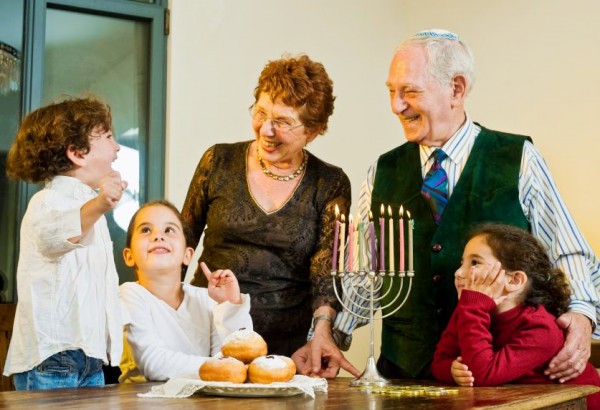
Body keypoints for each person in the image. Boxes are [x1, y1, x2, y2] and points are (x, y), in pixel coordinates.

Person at [332, 29, 600, 381]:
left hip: (501, 379)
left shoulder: (518, 158)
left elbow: (569, 252)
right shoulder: (382, 170)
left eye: (410, 91)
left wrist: (581, 315)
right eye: (392, 91)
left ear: (456, 89)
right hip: (403, 376)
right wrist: (329, 331)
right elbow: (363, 273)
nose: (396, 105)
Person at [181, 54, 359, 378]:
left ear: (314, 130)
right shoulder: (217, 161)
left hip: (285, 353)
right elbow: (182, 241)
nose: (266, 128)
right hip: (207, 336)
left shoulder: (330, 183)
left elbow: (326, 271)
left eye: (283, 121)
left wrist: (322, 332)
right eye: (261, 112)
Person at [3, 96, 127, 390]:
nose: (117, 147)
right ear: (77, 153)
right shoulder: (47, 200)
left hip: (90, 359)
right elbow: (56, 236)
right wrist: (100, 204)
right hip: (54, 358)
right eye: (108, 137)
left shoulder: (89, 206)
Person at [431, 224, 600, 408]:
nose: (458, 273)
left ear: (514, 280)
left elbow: (482, 374)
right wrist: (452, 371)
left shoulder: (541, 328)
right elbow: (440, 360)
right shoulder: (469, 309)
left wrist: (473, 308)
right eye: (461, 263)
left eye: (475, 263)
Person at [119, 200, 252, 382]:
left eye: (169, 230)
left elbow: (237, 359)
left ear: (187, 255)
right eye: (145, 230)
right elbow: (153, 364)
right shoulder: (129, 295)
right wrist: (219, 367)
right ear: (129, 256)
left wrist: (230, 306)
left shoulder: (206, 299)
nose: (158, 236)